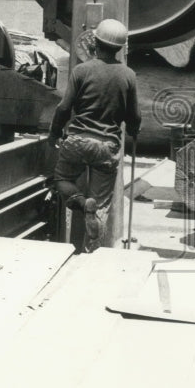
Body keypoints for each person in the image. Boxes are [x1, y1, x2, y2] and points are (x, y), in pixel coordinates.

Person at [50, 18, 140, 252]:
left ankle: (81, 202)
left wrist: (54, 134)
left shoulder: (81, 71)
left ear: (95, 43)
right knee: (101, 205)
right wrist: (133, 130)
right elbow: (134, 117)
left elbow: (63, 108)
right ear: (120, 47)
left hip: (78, 140)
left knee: (62, 180)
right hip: (107, 146)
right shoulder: (128, 75)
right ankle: (91, 252)